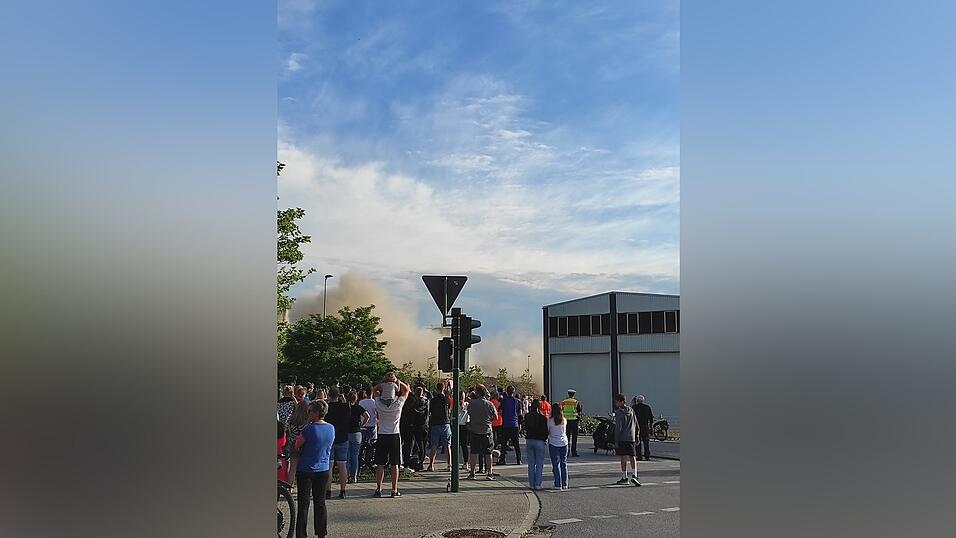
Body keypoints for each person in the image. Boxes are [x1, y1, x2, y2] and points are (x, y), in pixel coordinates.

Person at [294, 399, 334, 538]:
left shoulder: (309, 429)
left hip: (306, 469)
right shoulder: (331, 428)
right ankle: (321, 532)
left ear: (316, 413)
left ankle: (301, 534)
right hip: (323, 469)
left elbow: (297, 445)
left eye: (310, 411)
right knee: (320, 502)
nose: (308, 413)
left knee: (303, 504)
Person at [372, 373, 411, 497]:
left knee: (380, 464)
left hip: (382, 434)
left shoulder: (378, 403)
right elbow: (407, 390)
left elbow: (374, 390)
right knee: (395, 464)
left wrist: (383, 382)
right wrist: (398, 381)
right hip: (394, 434)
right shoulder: (398, 403)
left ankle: (378, 489)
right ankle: (394, 489)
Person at [466, 385, 498, 481]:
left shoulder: (471, 403)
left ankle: (472, 473)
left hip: (474, 430)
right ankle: (489, 473)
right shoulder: (489, 404)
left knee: (473, 452)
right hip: (486, 430)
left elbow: (469, 413)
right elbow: (496, 417)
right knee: (488, 453)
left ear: (477, 393)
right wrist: (488, 419)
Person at [323, 388, 351, 499]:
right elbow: (348, 418)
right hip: (343, 437)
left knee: (329, 466)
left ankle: (328, 490)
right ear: (339, 395)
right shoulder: (345, 407)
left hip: (329, 438)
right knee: (342, 465)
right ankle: (343, 490)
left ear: (329, 395)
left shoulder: (327, 407)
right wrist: (344, 402)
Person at [613, 394, 642, 486]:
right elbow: (636, 424)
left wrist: (616, 440)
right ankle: (635, 475)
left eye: (617, 402)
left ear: (621, 401)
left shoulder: (618, 412)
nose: (616, 403)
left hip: (622, 438)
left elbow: (618, 427)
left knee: (623, 458)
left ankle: (624, 477)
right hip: (631, 437)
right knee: (632, 456)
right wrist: (637, 436)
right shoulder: (631, 410)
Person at [400, 386, 429, 471]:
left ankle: (408, 461)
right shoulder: (426, 401)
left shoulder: (412, 401)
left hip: (414, 426)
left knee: (410, 444)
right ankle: (421, 462)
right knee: (422, 445)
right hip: (424, 425)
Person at [427, 381, 453, 472]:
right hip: (445, 423)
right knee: (447, 446)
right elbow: (449, 409)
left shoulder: (433, 400)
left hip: (435, 423)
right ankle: (449, 465)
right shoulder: (447, 399)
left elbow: (430, 411)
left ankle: (431, 465)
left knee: (434, 445)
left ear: (436, 389)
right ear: (443, 389)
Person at [523, 399, 549, 490]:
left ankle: (531, 484)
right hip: (539, 441)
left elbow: (525, 427)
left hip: (529, 440)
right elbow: (545, 431)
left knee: (531, 464)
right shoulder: (542, 418)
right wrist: (544, 439)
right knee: (539, 464)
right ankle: (537, 484)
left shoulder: (527, 416)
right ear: (539, 407)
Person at [285, 399, 310, 488]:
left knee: (292, 469)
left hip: (292, 444)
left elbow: (287, 431)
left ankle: (289, 488)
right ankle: (304, 487)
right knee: (305, 469)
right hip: (304, 446)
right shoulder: (307, 421)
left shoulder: (291, 419)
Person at [345, 391, 369, 483]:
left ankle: (346, 475)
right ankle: (354, 476)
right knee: (355, 456)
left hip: (347, 432)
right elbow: (367, 416)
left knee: (347, 455)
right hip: (356, 432)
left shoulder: (345, 408)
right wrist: (362, 424)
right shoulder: (358, 407)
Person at [497, 386, 522, 465]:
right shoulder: (517, 401)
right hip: (515, 424)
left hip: (506, 424)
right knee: (516, 443)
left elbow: (500, 411)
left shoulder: (504, 401)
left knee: (504, 443)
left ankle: (502, 459)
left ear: (507, 392)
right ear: (513, 392)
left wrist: (504, 416)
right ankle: (518, 459)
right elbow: (520, 413)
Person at [548, 402, 570, 490]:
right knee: (563, 463)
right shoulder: (564, 420)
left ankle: (558, 484)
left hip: (553, 442)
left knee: (556, 464)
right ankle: (565, 483)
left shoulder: (550, 421)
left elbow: (548, 431)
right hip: (564, 442)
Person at [560, 389, 583, 457]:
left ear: (568, 394)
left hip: (566, 421)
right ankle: (574, 452)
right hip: (574, 421)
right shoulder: (576, 402)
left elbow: (561, 410)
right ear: (573, 395)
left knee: (566, 437)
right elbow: (579, 412)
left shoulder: (564, 402)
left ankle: (566, 451)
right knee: (574, 438)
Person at [632, 395, 654, 461]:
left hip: (637, 426)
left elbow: (632, 418)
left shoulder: (634, 407)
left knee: (638, 441)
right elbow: (651, 418)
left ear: (637, 400)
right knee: (646, 442)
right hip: (645, 426)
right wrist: (651, 427)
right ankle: (647, 456)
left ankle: (639, 456)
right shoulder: (647, 407)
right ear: (643, 400)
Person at [457, 391, 471, 469]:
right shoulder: (467, 404)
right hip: (465, 425)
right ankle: (466, 462)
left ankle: (456, 461)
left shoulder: (455, 404)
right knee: (464, 445)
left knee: (457, 445)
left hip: (458, 425)